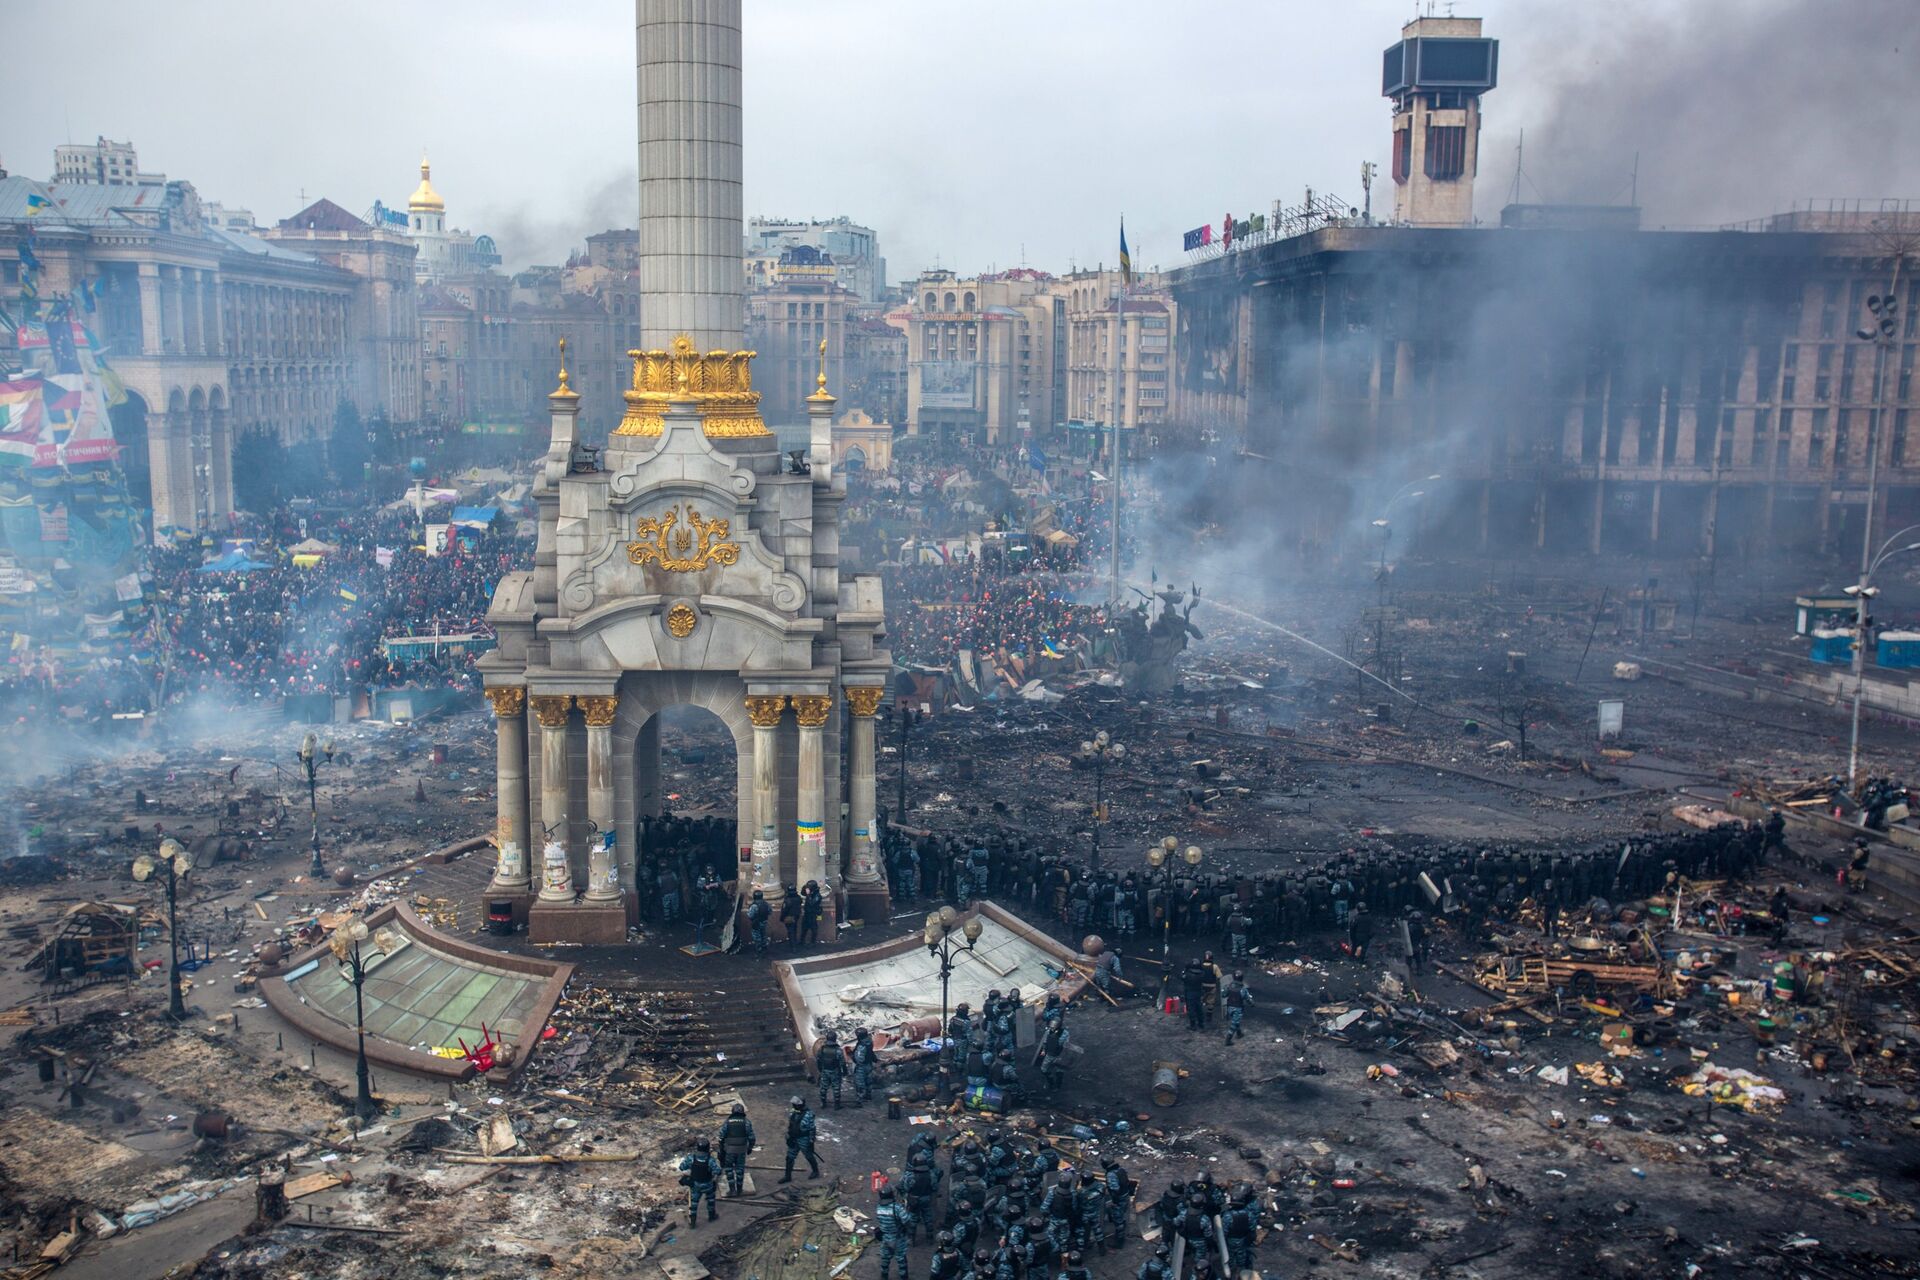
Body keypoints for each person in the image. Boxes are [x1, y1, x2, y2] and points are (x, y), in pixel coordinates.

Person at [874, 1185, 914, 1280]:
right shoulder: (897, 1208)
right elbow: (907, 1220)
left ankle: (884, 1277)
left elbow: (881, 1220)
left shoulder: (879, 1208)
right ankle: (904, 1277)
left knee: (885, 1259)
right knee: (901, 1260)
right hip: (898, 1238)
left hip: (885, 1238)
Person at [679, 1137, 722, 1226]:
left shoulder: (691, 1158)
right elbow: (718, 1171)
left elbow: (682, 1167)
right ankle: (711, 1216)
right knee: (710, 1200)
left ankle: (693, 1221)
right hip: (708, 1184)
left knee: (694, 1202)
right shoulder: (710, 1160)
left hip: (695, 1184)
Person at [716, 1101, 755, 1197]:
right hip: (741, 1149)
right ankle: (740, 1190)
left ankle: (732, 1190)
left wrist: (721, 1149)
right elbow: (752, 1138)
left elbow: (721, 1137)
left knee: (729, 1169)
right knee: (740, 1168)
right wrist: (750, 1148)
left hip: (729, 1150)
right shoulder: (747, 1122)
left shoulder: (727, 1122)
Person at [904, 1150, 942, 1242]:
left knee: (913, 1218)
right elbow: (935, 1187)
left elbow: (906, 1187)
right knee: (928, 1217)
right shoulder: (931, 1174)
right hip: (926, 1198)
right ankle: (929, 1237)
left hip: (914, 1199)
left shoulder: (911, 1176)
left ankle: (911, 1238)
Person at [781, 1095, 820, 1181]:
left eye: (795, 1104)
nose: (793, 1105)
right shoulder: (793, 1112)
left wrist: (811, 1140)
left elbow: (812, 1128)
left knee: (809, 1155)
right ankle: (787, 1176)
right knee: (789, 1157)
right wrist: (788, 1134)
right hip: (793, 1138)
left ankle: (815, 1171)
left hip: (804, 1138)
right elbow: (791, 1125)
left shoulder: (809, 1114)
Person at [1222, 1183, 1258, 1274]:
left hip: (1230, 1240)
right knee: (1241, 1256)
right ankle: (1241, 1272)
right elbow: (1252, 1229)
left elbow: (1224, 1232)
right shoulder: (1249, 1214)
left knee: (1230, 1256)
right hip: (1243, 1239)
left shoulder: (1227, 1216)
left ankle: (1231, 1271)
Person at [1222, 971, 1252, 1046]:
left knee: (1236, 1021)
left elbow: (1223, 995)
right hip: (1238, 1008)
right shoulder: (1243, 989)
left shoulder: (1228, 986)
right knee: (1234, 1024)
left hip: (1229, 1007)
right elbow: (1247, 999)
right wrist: (1252, 1004)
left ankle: (1239, 1033)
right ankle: (1228, 1039)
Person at [816, 1030, 845, 1109]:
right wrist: (844, 1072)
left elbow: (818, 1060)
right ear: (835, 1039)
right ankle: (837, 1104)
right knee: (836, 1087)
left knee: (823, 1087)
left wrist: (820, 1069)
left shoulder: (821, 1049)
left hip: (825, 1070)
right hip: (835, 1071)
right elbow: (842, 1062)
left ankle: (823, 1103)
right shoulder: (838, 1050)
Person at [1180, 956, 1209, 1032]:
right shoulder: (1202, 974)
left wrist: (1185, 969)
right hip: (1198, 992)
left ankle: (1193, 1025)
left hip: (1189, 993)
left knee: (1191, 1009)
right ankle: (1201, 1024)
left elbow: (1182, 978)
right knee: (1199, 1008)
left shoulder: (1188, 974)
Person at [851, 1026, 877, 1106]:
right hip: (869, 1064)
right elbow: (871, 1052)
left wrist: (853, 1058)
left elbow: (859, 1058)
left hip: (861, 1067)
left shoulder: (861, 1045)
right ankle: (868, 1096)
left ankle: (859, 1100)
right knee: (868, 1081)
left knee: (860, 1083)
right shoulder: (869, 1041)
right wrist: (874, 1059)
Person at [746, 889, 772, 957]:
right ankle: (764, 947)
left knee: (757, 937)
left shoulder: (754, 906)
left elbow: (750, 915)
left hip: (756, 923)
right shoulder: (766, 904)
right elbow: (770, 912)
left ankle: (759, 950)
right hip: (764, 922)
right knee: (763, 934)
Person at [800, 880, 824, 945]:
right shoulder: (811, 892)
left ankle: (813, 942)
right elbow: (802, 893)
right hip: (807, 913)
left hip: (813, 914)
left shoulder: (817, 895)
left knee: (813, 928)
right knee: (804, 927)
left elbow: (811, 903)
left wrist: (808, 895)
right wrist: (804, 888)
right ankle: (802, 941)